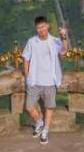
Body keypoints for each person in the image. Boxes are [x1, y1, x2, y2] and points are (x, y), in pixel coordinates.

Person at [22, 15, 69, 144]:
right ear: (36, 29)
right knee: (29, 107)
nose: (41, 29)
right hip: (35, 80)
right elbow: (26, 58)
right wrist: (27, 76)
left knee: (49, 106)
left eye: (43, 26)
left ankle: (45, 131)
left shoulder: (54, 41)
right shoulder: (32, 41)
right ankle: (39, 122)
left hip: (50, 80)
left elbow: (64, 50)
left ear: (47, 26)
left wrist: (64, 36)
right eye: (38, 28)